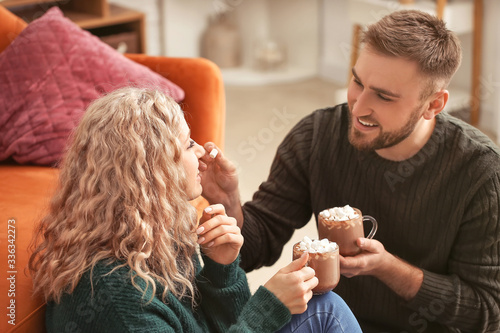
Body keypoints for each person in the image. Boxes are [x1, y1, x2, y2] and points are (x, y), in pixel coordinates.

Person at [200, 10, 500, 333]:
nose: (357, 107)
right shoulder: (317, 135)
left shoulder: (481, 173)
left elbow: (487, 311)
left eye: (383, 96)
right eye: (357, 81)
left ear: (433, 105)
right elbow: (253, 252)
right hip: (330, 322)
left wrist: (388, 269)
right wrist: (230, 203)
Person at [28, 87, 361, 332]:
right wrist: (268, 306)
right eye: (187, 144)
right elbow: (246, 322)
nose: (202, 150)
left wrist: (223, 268)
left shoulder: (149, 235)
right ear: (154, 170)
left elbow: (222, 324)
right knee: (326, 314)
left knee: (324, 304)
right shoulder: (115, 295)